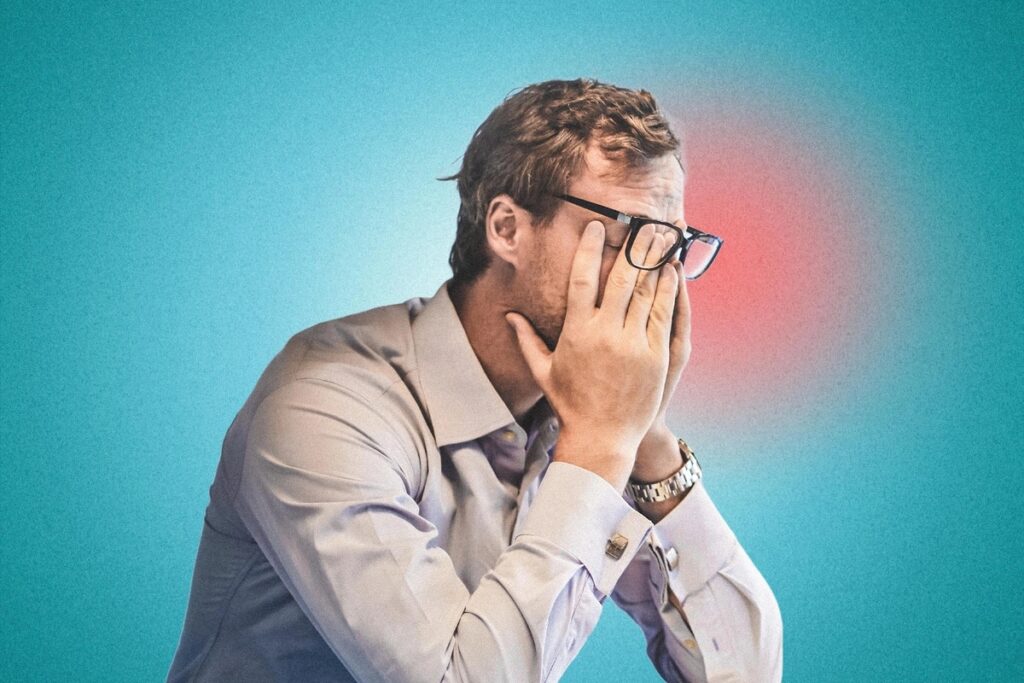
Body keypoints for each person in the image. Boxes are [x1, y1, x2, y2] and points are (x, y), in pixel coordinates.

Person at [167, 78, 783, 682]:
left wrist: (645, 435)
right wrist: (600, 446)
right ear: (507, 228)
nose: (652, 278)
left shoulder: (581, 409)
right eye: (626, 235)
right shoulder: (324, 408)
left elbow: (747, 674)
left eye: (672, 245)